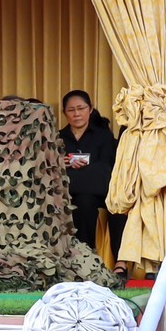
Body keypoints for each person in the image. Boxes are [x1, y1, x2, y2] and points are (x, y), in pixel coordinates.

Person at [59, 89, 117, 251]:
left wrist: (81, 170)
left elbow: (105, 168)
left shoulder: (103, 136)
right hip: (64, 193)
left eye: (81, 108)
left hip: (95, 192)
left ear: (90, 109)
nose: (76, 114)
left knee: (85, 203)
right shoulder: (58, 138)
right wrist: (59, 163)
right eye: (71, 110)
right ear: (64, 113)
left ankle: (85, 254)